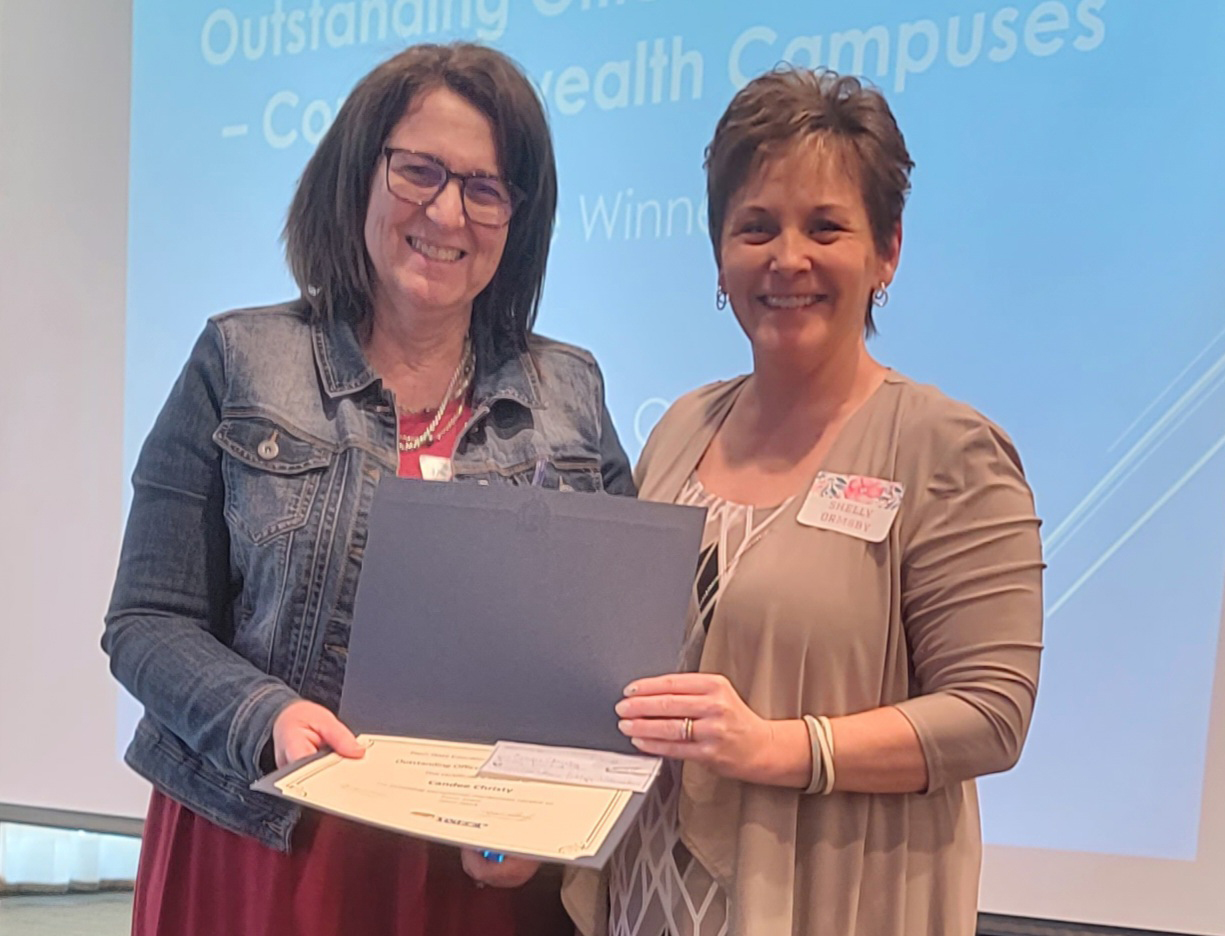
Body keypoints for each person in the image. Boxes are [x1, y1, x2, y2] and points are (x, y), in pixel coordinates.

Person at [103, 42, 635, 936]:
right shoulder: (240, 360)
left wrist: (540, 816)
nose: (446, 210)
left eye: (485, 187)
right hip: (265, 848)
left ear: (518, 217)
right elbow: (145, 623)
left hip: (479, 876)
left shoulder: (569, 394)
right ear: (359, 173)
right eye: (418, 171)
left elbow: (616, 654)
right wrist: (264, 715)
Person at [564, 67, 1044, 935]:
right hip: (645, 901)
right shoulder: (678, 428)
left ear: (886, 251)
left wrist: (783, 748)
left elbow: (990, 714)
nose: (787, 258)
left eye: (825, 227)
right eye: (755, 228)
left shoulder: (946, 448)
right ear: (719, 253)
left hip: (828, 903)